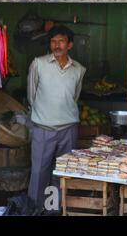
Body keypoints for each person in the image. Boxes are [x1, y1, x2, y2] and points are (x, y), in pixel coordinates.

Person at [27, 25, 86, 209]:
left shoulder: (78, 69)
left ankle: (54, 209)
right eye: (53, 41)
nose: (57, 45)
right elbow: (31, 95)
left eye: (61, 41)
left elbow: (73, 97)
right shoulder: (39, 63)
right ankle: (36, 210)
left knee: (61, 173)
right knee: (39, 172)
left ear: (69, 45)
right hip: (43, 128)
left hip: (68, 129)